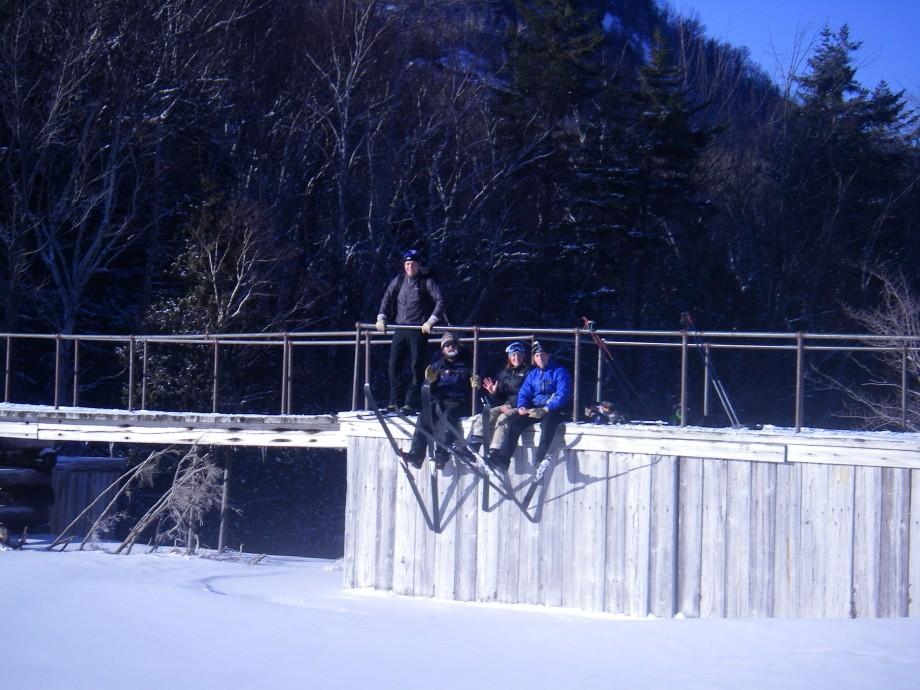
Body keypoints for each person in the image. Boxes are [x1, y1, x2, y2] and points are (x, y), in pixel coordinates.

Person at [485, 340, 571, 475]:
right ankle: (503, 460)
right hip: (535, 408)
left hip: (554, 409)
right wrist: (522, 407)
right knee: (515, 424)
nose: (540, 358)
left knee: (547, 424)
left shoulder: (559, 372)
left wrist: (546, 408)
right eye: (537, 356)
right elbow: (525, 392)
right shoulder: (534, 374)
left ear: (548, 356)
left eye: (542, 355)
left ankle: (540, 459)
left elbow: (563, 393)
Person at [376, 249, 445, 414]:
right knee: (394, 365)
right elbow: (387, 297)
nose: (410, 267)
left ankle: (411, 402)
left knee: (416, 366)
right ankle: (395, 400)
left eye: (413, 263)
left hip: (418, 329)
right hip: (400, 328)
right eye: (407, 264)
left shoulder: (426, 282)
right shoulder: (399, 280)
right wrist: (381, 316)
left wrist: (431, 320)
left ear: (418, 265)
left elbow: (440, 301)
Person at [403, 332, 476, 469]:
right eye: (447, 345)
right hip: (440, 400)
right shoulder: (437, 366)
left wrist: (475, 385)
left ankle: (442, 454)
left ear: (458, 346)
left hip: (459, 402)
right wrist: (429, 382)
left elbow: (480, 382)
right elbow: (426, 390)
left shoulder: (468, 364)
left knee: (447, 417)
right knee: (425, 415)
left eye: (453, 344)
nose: (450, 347)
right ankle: (416, 455)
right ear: (443, 349)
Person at [467, 341, 531, 453]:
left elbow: (527, 394)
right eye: (513, 355)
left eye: (519, 355)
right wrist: (493, 393)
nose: (516, 358)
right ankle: (475, 443)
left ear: (524, 356)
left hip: (521, 407)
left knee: (502, 419)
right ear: (509, 357)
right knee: (486, 414)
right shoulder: (505, 374)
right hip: (506, 405)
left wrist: (510, 406)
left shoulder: (529, 372)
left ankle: (495, 450)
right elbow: (498, 400)